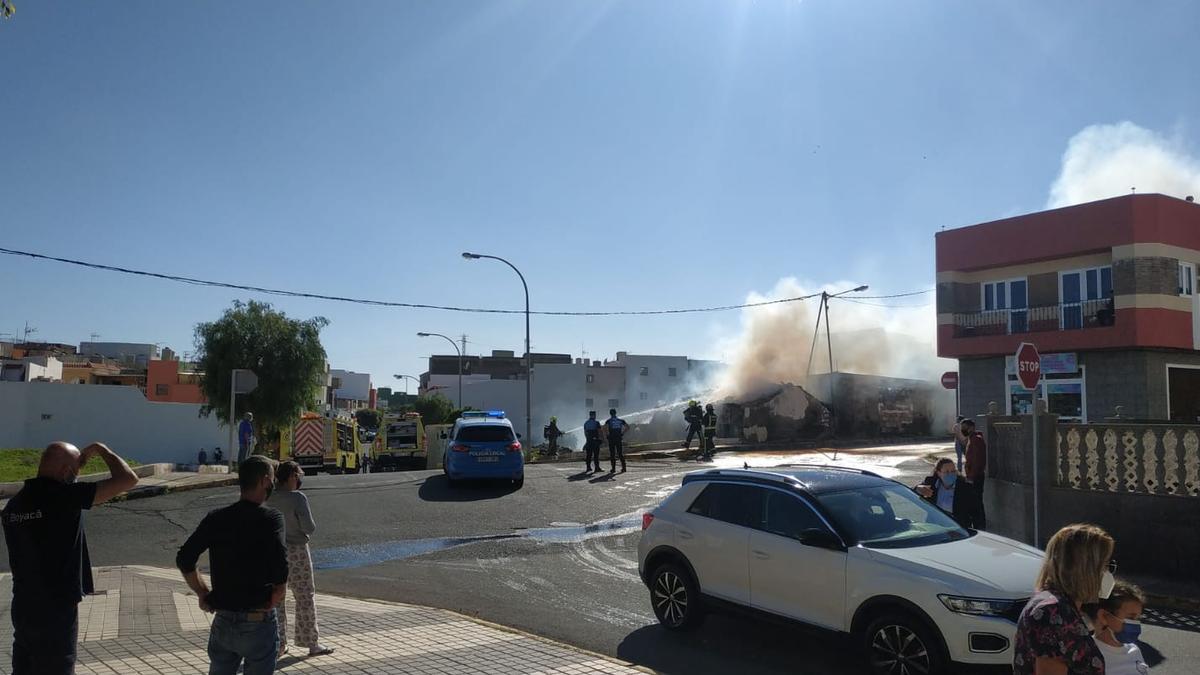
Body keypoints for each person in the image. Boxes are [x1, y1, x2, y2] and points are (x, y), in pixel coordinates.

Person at [2, 441, 139, 675]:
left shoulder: (14, 506)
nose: (77, 477)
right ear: (65, 472)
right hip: (56, 608)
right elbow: (128, 479)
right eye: (77, 471)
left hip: (24, 605)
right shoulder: (63, 496)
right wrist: (101, 450)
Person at [176, 455, 288, 675]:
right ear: (265, 481)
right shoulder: (271, 518)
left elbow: (185, 558)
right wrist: (278, 592)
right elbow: (280, 563)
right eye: (272, 480)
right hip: (258, 618)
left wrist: (202, 592)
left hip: (224, 619)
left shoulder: (216, 518)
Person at [1013, 523, 1115, 675]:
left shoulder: (1063, 607)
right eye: (1105, 565)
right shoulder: (1052, 612)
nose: (1108, 573)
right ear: (1085, 568)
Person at [267, 462, 334, 658]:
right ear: (292, 476)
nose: (299, 479)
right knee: (304, 595)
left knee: (276, 599)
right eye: (298, 475)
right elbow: (309, 528)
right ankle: (311, 643)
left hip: (274, 551)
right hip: (297, 551)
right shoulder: (297, 498)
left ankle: (279, 644)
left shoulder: (269, 497)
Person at [1092, 581, 1150, 675]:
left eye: (1138, 618)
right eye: (1130, 617)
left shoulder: (1134, 650)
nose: (1135, 624)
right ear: (1103, 616)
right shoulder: (1087, 655)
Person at [914, 458, 962, 525]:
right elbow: (911, 492)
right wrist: (918, 488)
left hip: (958, 527)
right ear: (938, 473)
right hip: (935, 524)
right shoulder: (931, 482)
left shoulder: (964, 487)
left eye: (953, 471)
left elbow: (976, 511)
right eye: (946, 472)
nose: (950, 474)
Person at [959, 418, 987, 529]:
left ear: (971, 428)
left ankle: (979, 525)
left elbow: (977, 460)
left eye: (965, 428)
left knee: (976, 502)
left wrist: (971, 477)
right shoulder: (971, 439)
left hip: (976, 477)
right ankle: (977, 524)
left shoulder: (976, 440)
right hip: (973, 475)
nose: (963, 430)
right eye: (962, 428)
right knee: (974, 502)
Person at [605, 408, 628, 473]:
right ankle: (624, 468)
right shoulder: (620, 420)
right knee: (620, 453)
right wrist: (622, 433)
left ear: (610, 413)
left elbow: (606, 430)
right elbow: (627, 427)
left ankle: (613, 469)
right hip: (618, 438)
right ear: (615, 413)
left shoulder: (608, 421)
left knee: (612, 454)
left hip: (611, 439)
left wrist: (607, 436)